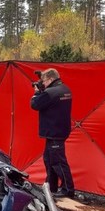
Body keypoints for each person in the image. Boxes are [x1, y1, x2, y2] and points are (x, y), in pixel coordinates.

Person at [30, 68, 75, 198]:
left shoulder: (50, 93)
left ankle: (68, 190)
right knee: (49, 160)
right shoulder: (65, 89)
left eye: (43, 81)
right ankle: (51, 186)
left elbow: (34, 104)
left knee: (58, 162)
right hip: (59, 130)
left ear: (50, 79)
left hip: (54, 131)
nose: (42, 84)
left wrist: (37, 93)